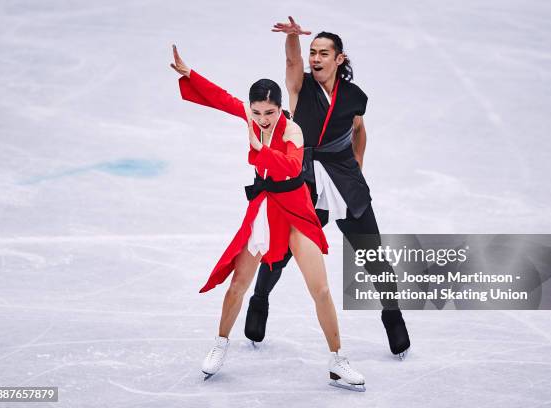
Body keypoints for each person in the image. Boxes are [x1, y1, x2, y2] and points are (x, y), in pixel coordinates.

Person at [170, 45, 366, 391]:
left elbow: (291, 166)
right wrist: (191, 75)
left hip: (296, 210)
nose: (263, 119)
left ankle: (338, 360)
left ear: (280, 109)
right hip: (265, 210)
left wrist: (263, 149)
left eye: (270, 112)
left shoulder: (292, 131)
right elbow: (222, 99)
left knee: (320, 289)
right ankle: (220, 344)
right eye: (257, 112)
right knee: (237, 285)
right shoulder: (250, 115)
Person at [244, 17, 411, 358]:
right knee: (282, 251)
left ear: (339, 59)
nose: (315, 59)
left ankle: (392, 315)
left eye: (323, 53)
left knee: (372, 254)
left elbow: (359, 129)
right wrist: (292, 38)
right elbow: (291, 62)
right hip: (304, 179)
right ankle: (259, 301)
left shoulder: (354, 96)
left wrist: (358, 163)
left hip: (345, 179)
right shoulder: (300, 86)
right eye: (313, 52)